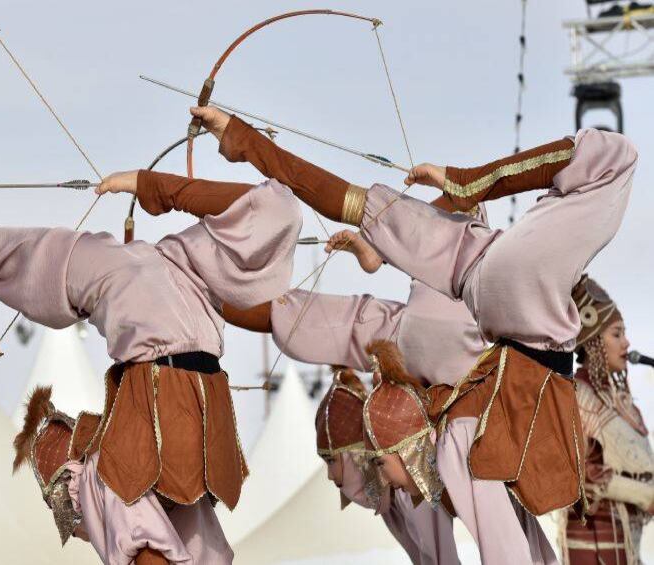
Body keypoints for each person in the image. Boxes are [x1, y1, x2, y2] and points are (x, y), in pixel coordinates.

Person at [190, 105, 636, 563]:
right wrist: (466, 180)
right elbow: (601, 157)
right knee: (478, 468)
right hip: (502, 352)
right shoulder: (458, 271)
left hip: (493, 352)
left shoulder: (438, 273)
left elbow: (324, 191)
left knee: (476, 468)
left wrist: (244, 142)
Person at [0, 166, 303, 565]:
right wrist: (152, 185)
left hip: (156, 399)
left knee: (117, 500)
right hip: (208, 410)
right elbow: (273, 212)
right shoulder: (185, 261)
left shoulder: (83, 258)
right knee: (186, 528)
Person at [315, 366, 458, 565]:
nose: (330, 475)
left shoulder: (411, 488)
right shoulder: (391, 500)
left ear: (355, 457)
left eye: (331, 460)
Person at [558, 275, 654, 564]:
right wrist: (645, 495)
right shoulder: (578, 395)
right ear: (595, 342)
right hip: (593, 545)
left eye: (624, 333)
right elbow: (582, 472)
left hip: (625, 542)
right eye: (616, 334)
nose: (626, 343)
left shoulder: (621, 401)